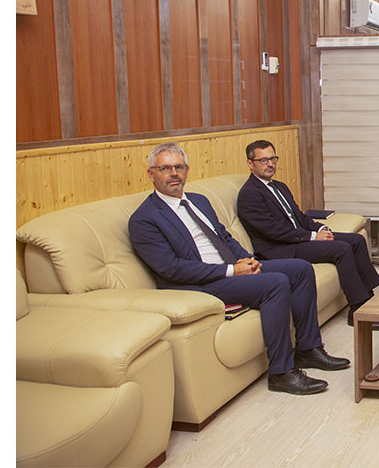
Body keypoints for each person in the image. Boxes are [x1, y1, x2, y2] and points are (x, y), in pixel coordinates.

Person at [128, 143, 348, 395]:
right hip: (198, 284)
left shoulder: (199, 201)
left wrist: (248, 260)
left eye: (178, 167)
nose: (173, 174)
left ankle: (308, 349)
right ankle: (281, 373)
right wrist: (233, 270)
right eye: (165, 168)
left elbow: (224, 237)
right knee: (275, 283)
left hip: (230, 269)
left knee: (300, 269)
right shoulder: (144, 219)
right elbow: (173, 269)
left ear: (187, 170)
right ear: (151, 174)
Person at [236, 140, 379, 331]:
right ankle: (357, 310)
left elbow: (300, 216)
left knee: (356, 240)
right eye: (264, 160)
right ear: (250, 164)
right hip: (280, 248)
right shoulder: (249, 194)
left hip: (296, 238)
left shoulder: (280, 186)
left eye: (273, 159)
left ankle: (369, 300)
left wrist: (321, 229)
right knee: (341, 249)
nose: (270, 164)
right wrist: (313, 236)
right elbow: (273, 232)